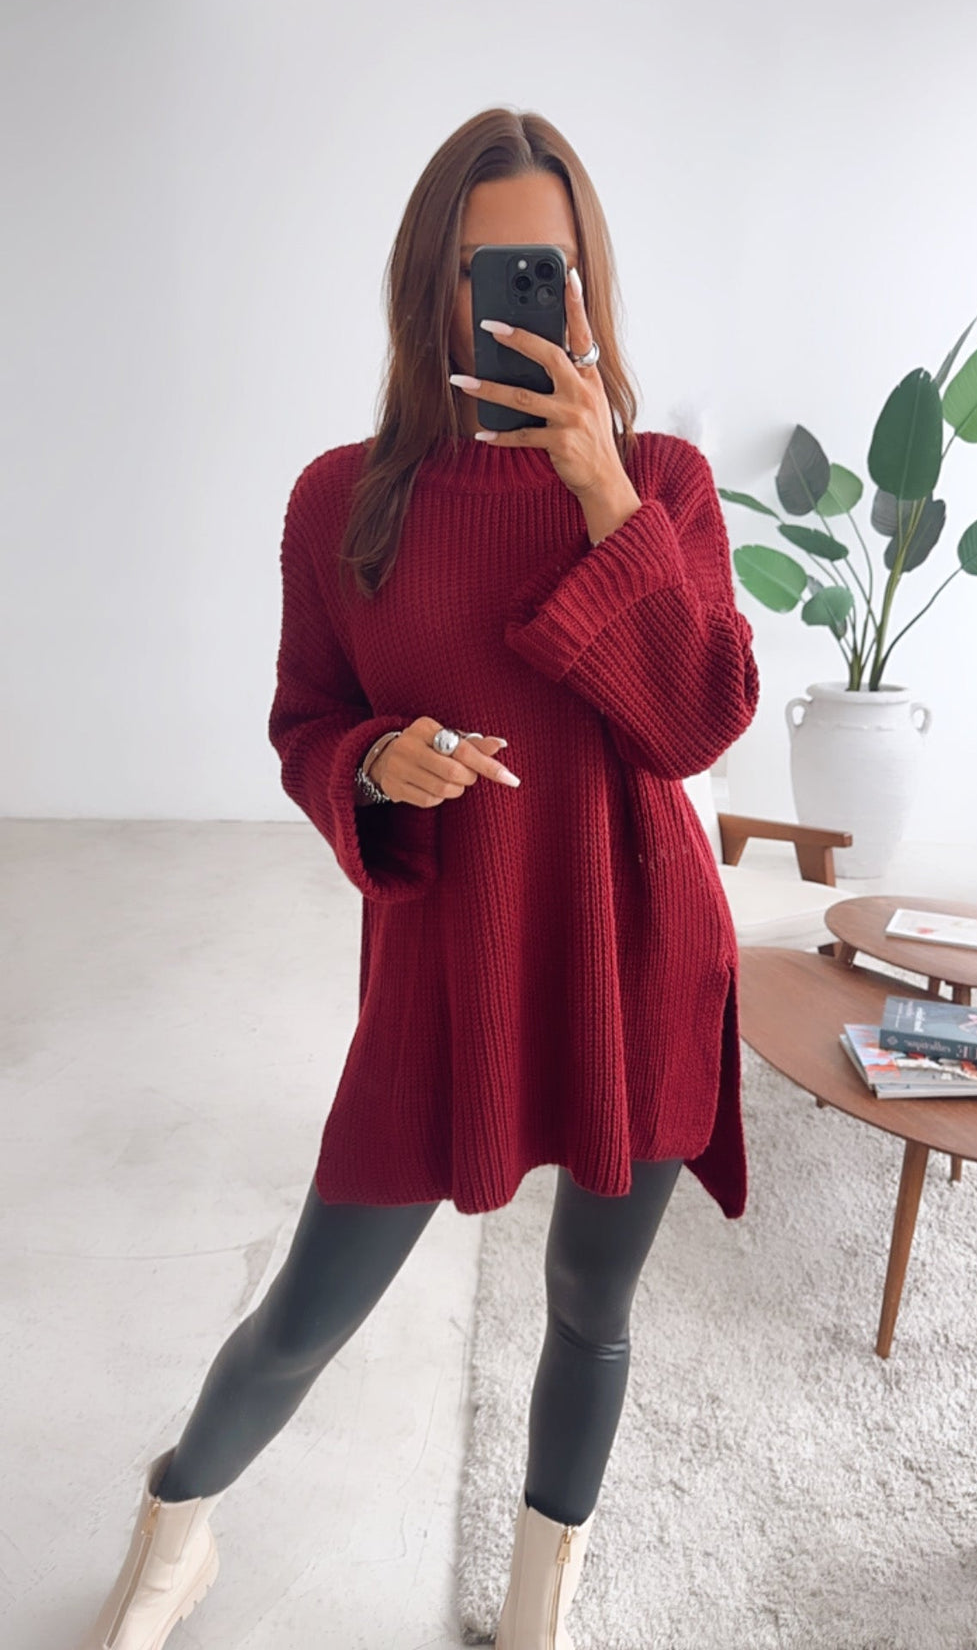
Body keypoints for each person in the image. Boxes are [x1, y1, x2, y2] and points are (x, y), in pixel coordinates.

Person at [74, 107, 760, 1650]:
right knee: (301, 1320)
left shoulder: (663, 481)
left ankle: (536, 1606)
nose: (515, 303)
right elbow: (303, 724)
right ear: (425, 285)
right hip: (447, 963)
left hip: (639, 953)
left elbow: (695, 721)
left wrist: (602, 497)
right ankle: (174, 1532)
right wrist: (377, 764)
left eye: (547, 270)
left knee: (589, 1309)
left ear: (587, 283)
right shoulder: (340, 501)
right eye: (481, 270)